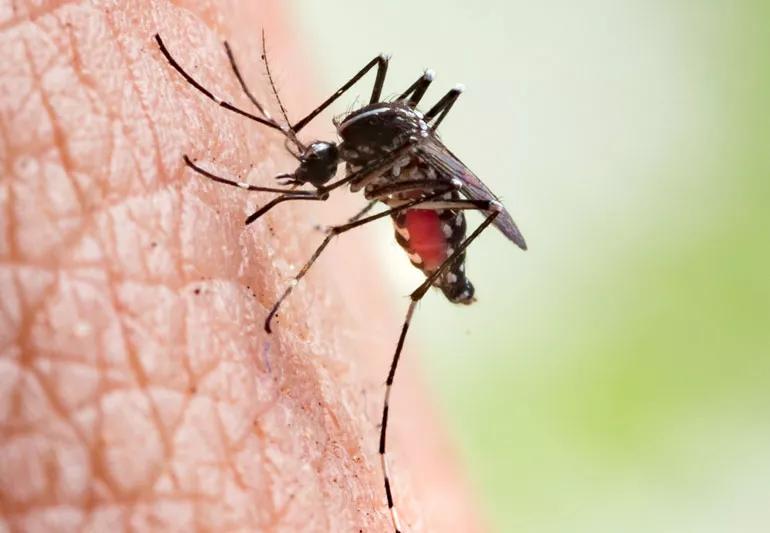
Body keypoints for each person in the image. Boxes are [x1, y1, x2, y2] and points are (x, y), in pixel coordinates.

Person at [0, 1, 483, 531]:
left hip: (436, 209)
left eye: (313, 161)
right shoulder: (353, 137)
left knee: (413, 169)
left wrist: (335, 233)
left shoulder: (374, 151)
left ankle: (407, 340)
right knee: (387, 77)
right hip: (402, 164)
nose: (309, 168)